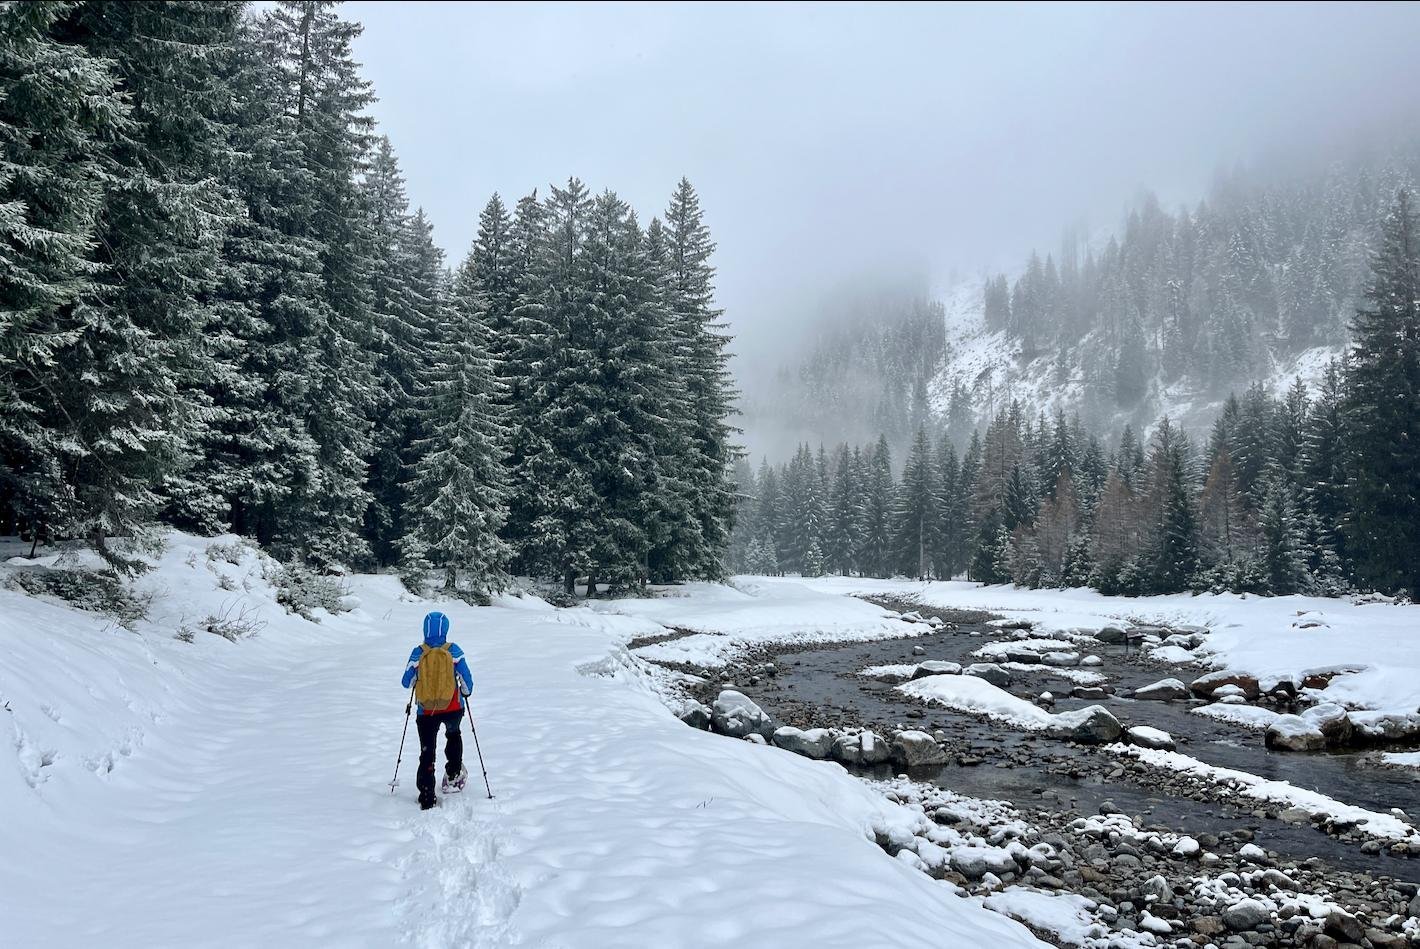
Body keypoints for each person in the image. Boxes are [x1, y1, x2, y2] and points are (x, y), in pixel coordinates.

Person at [401, 611, 474, 810]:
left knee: (427, 751)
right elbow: (466, 680)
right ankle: (453, 775)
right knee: (453, 735)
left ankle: (426, 794)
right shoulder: (454, 651)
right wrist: (465, 693)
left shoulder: (418, 652)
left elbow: (405, 682)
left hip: (426, 711)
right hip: (453, 707)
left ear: (425, 629)